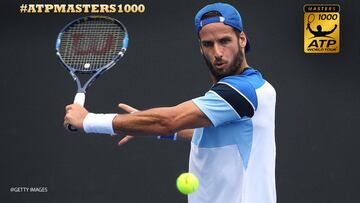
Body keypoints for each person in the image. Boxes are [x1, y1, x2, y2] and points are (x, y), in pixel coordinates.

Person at [64, 3, 277, 203]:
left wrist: (88, 120)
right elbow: (219, 135)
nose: (218, 52)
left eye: (224, 41)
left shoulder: (241, 91)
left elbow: (169, 120)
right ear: (200, 48)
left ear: (242, 40)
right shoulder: (257, 88)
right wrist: (139, 124)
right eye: (208, 44)